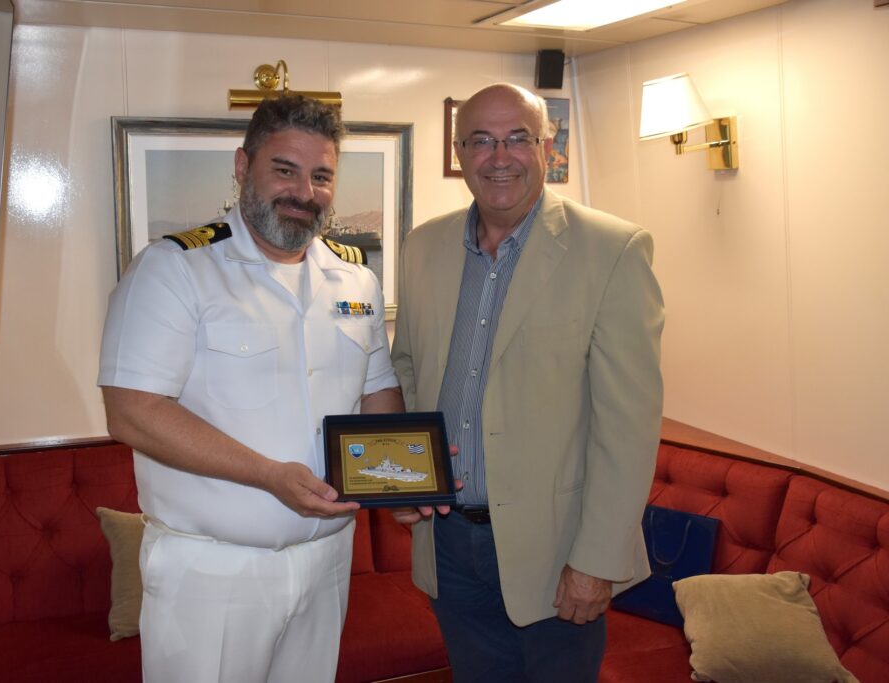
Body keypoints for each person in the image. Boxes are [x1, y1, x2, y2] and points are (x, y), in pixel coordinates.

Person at [98, 94, 403, 683]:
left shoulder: (355, 278)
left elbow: (377, 390)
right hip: (212, 573)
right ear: (243, 167)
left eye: (321, 176)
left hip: (326, 562)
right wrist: (268, 475)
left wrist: (401, 480)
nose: (304, 192)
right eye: (284, 170)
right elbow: (131, 412)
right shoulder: (174, 269)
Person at [390, 83, 664, 682]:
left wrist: (597, 561)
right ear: (459, 153)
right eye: (481, 141)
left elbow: (629, 428)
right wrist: (406, 479)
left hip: (558, 552)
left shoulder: (612, 250)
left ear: (547, 146)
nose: (499, 157)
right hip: (448, 545)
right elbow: (406, 369)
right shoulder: (422, 246)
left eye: (518, 138)